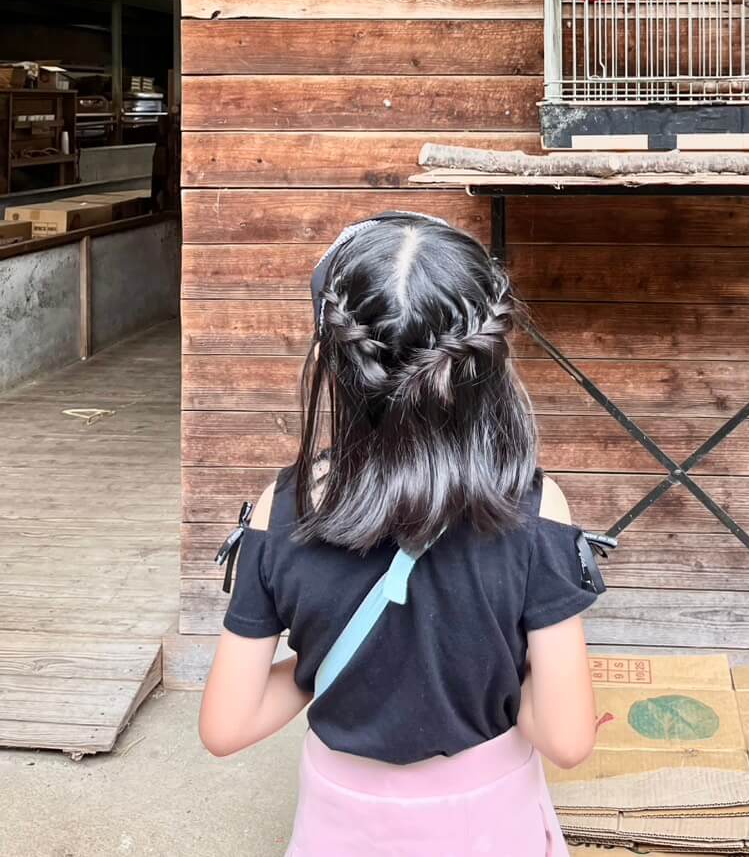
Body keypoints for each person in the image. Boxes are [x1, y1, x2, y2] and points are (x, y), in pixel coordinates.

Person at [199, 211, 604, 857]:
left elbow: (227, 725)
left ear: (330, 357)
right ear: (486, 359)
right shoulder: (533, 508)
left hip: (338, 826)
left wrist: (320, 664)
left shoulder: (284, 506)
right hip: (489, 824)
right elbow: (567, 737)